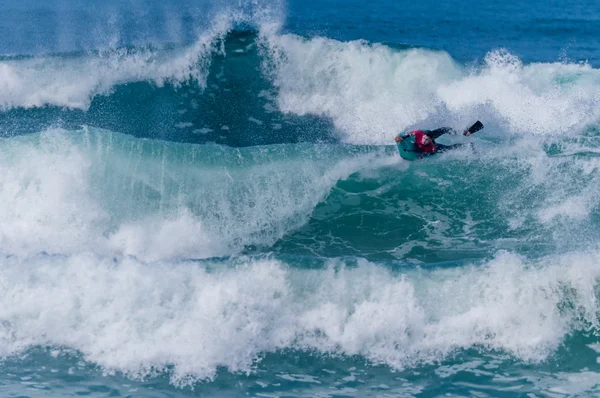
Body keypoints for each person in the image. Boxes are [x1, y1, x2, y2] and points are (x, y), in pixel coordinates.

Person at [395, 124, 478, 156]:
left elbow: (429, 154)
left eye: (426, 139)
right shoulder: (419, 134)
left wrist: (422, 156)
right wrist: (403, 138)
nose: (424, 140)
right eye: (424, 138)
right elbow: (410, 134)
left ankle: (467, 140)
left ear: (431, 140)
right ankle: (461, 132)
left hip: (433, 144)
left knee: (448, 148)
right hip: (429, 135)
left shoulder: (431, 147)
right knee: (442, 130)